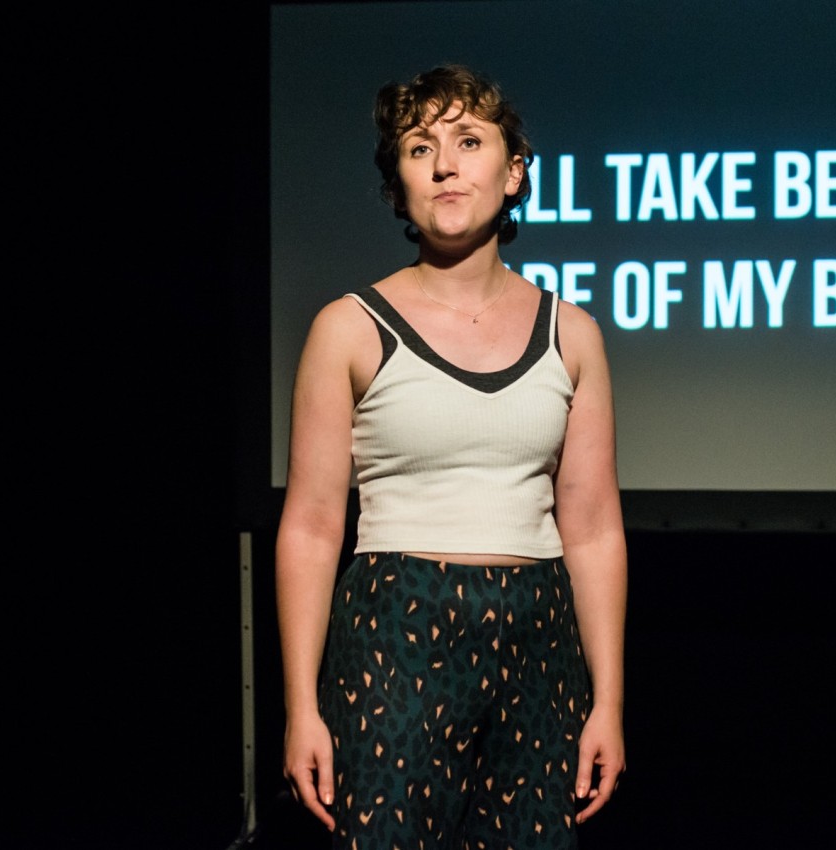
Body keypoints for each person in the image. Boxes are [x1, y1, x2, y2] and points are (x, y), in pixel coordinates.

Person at [276, 64, 627, 849]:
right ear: (397, 184)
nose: (444, 163)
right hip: (396, 629)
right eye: (418, 146)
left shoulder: (572, 335)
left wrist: (608, 702)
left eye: (469, 141)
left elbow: (596, 527)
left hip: (540, 635)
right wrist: (302, 707)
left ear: (513, 173)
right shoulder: (349, 327)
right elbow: (310, 523)